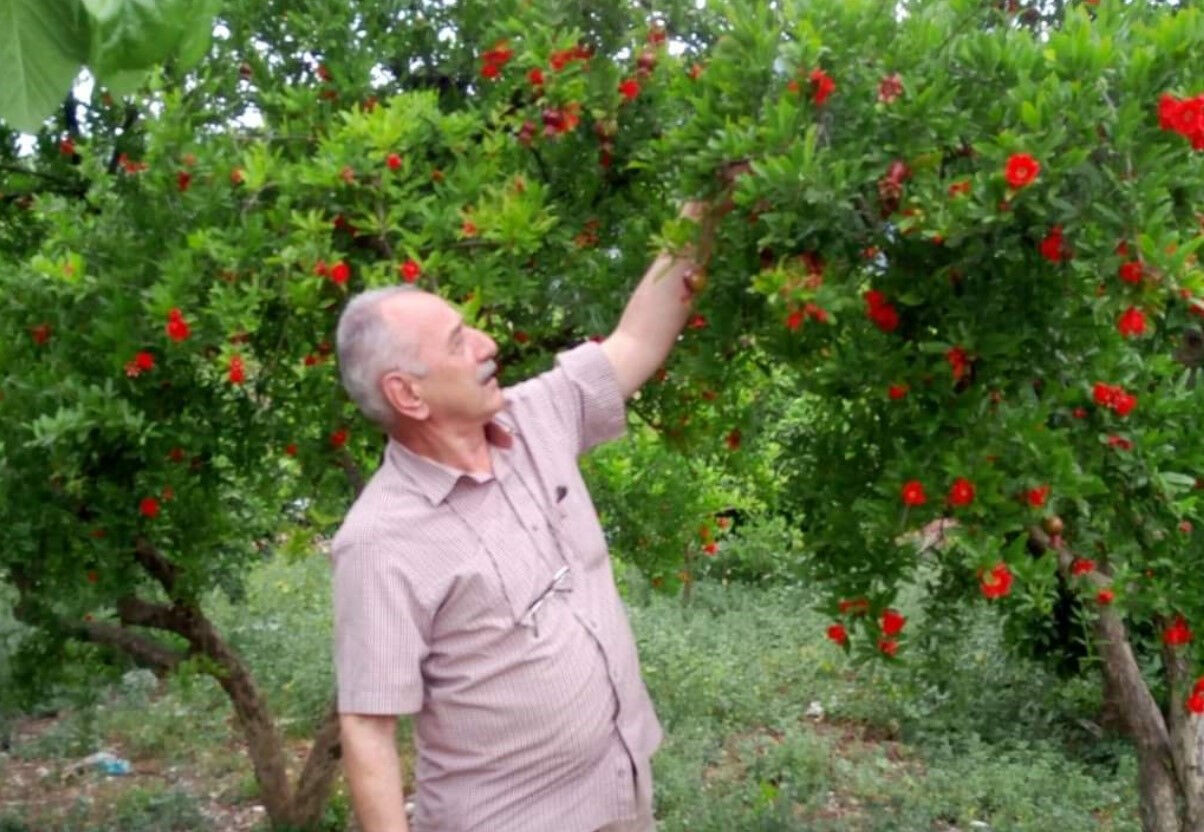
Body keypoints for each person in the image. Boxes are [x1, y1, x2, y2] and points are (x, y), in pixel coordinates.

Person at [330, 202, 713, 832]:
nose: (488, 346)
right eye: (459, 342)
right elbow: (368, 727)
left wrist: (705, 209)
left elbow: (637, 338)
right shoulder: (380, 542)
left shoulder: (534, 417)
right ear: (407, 393)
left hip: (618, 790)